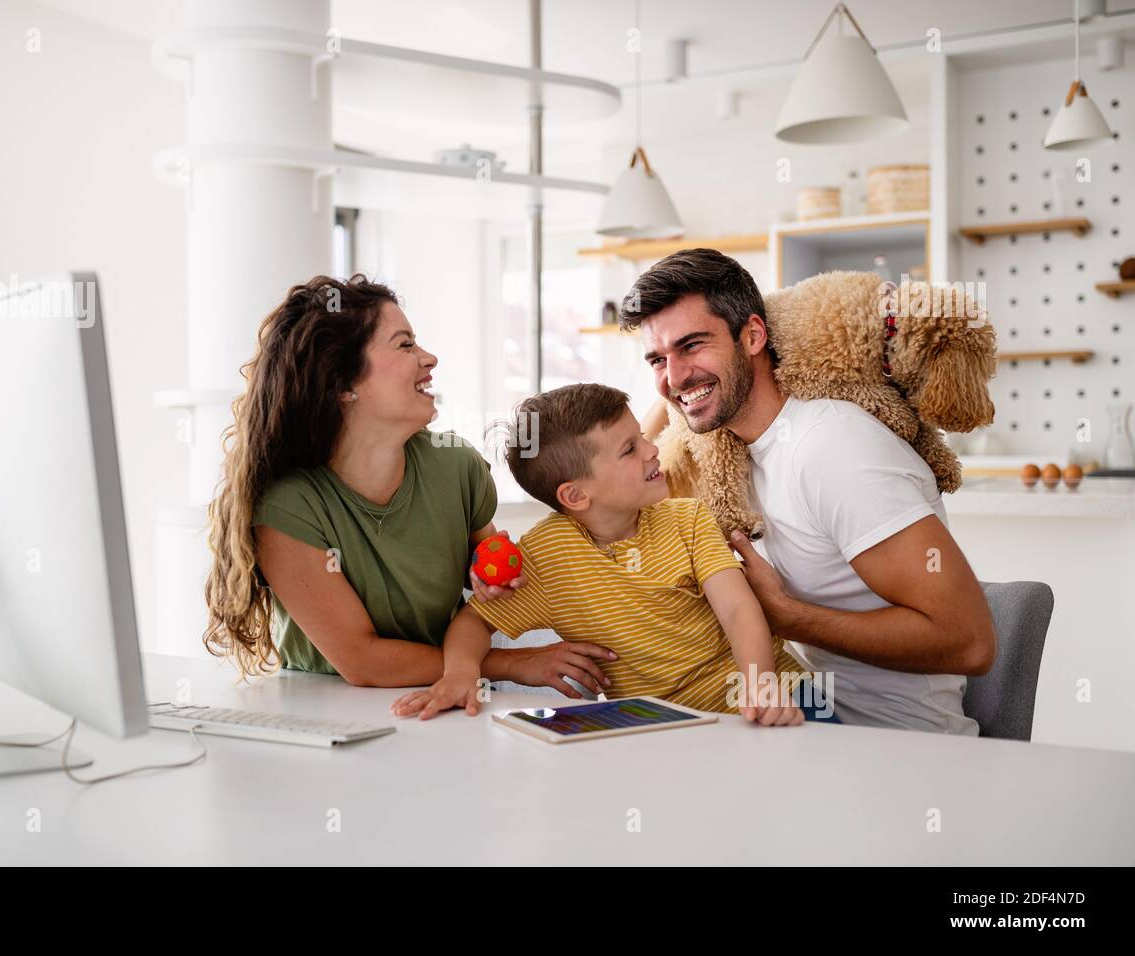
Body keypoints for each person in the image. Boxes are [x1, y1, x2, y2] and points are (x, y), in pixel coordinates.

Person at [627, 249, 995, 734]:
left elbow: (970, 641)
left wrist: (788, 617)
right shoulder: (729, 453)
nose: (674, 378)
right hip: (798, 731)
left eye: (693, 345)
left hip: (894, 752)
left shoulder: (833, 448)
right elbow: (630, 459)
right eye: (658, 359)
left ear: (754, 335)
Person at [203, 274, 617, 696]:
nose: (430, 358)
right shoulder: (289, 505)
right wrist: (510, 664)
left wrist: (492, 581)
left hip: (444, 696)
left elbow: (488, 589)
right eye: (405, 345)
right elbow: (361, 660)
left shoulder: (455, 466)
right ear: (342, 383)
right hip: (328, 708)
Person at [391, 383, 831, 726]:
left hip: (779, 691)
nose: (652, 449)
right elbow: (474, 623)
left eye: (641, 436)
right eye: (629, 449)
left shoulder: (688, 520)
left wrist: (761, 685)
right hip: (668, 729)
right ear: (576, 495)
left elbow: (737, 608)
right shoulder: (547, 559)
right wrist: (461, 675)